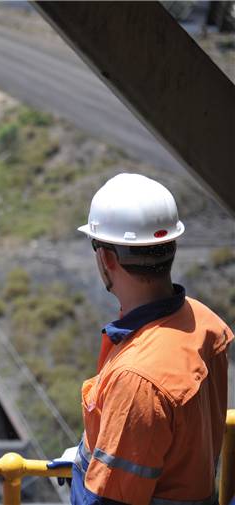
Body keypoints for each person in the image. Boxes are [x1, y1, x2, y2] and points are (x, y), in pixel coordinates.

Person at [56, 173, 232, 505]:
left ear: (106, 258)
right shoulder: (203, 322)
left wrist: (84, 467)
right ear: (172, 248)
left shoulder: (138, 381)